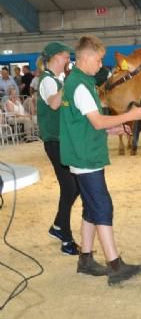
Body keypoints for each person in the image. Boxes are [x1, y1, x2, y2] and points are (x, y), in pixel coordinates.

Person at [59, 35, 141, 285]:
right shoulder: (80, 86)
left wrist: (115, 129)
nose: (101, 65)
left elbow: (86, 123)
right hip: (86, 156)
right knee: (102, 207)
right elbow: (97, 121)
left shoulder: (76, 82)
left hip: (83, 152)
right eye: (98, 60)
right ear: (86, 58)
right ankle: (115, 265)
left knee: (91, 207)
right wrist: (129, 115)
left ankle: (85, 259)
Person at [37, 41, 80, 255]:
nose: (68, 60)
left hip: (62, 141)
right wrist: (68, 83)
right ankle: (65, 237)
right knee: (71, 187)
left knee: (75, 187)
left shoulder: (56, 79)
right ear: (55, 58)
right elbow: (54, 104)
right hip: (54, 142)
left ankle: (57, 227)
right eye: (65, 56)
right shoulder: (47, 81)